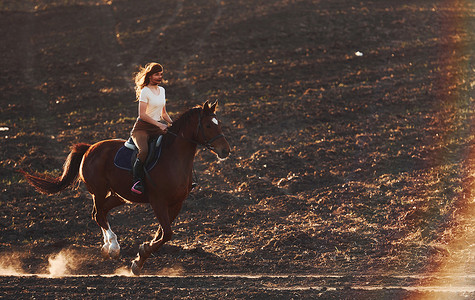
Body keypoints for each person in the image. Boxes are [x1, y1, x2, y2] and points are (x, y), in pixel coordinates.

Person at [130, 62, 173, 194]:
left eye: (161, 74)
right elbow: (142, 114)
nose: (160, 77)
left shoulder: (162, 91)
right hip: (142, 128)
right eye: (156, 74)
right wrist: (160, 124)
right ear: (150, 76)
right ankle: (137, 181)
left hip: (156, 127)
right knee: (144, 151)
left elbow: (163, 113)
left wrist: (173, 123)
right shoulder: (145, 91)